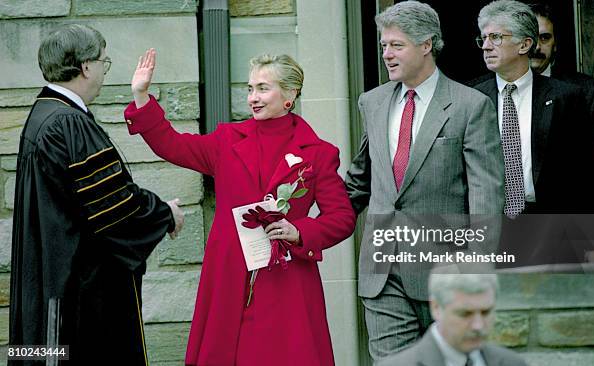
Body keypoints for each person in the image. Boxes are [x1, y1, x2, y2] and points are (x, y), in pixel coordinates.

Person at [124, 50, 356, 365]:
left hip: (287, 281)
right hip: (229, 277)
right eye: (250, 88)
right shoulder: (226, 140)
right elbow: (172, 144)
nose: (253, 98)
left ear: (290, 94)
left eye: (263, 88)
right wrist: (141, 96)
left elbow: (342, 218)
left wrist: (298, 231)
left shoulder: (318, 154)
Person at [9, 24, 184, 365]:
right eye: (104, 63)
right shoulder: (67, 123)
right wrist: (164, 214)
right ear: (86, 66)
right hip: (79, 294)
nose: (104, 72)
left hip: (50, 282)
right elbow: (113, 207)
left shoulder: (42, 114)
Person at [344, 1, 505, 361]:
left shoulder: (470, 105)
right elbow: (360, 182)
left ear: (426, 44)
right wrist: (305, 223)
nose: (386, 54)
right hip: (382, 272)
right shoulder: (372, 102)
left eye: (396, 45)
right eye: (383, 45)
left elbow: (486, 197)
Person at [471, 0, 594, 266]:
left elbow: (586, 175)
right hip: (490, 231)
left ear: (524, 45)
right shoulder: (471, 97)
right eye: (484, 38)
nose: (486, 45)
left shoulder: (566, 97)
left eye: (496, 37)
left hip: (553, 231)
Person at [529, 2, 594, 187]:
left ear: (555, 44)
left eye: (544, 38)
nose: (537, 47)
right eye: (529, 38)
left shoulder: (586, 90)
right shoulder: (494, 91)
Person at [378, 273, 528, 366]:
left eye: (485, 312)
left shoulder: (513, 363)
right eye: (465, 314)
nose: (478, 325)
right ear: (436, 307)